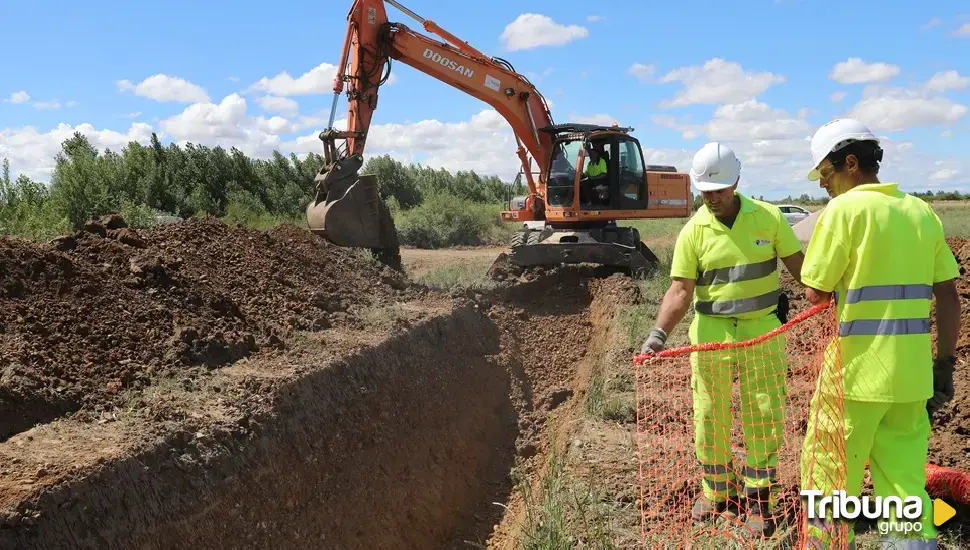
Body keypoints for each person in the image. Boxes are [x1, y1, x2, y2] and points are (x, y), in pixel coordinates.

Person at [797, 118, 962, 547]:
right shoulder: (920, 211)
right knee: (904, 487)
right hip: (910, 381)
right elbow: (948, 296)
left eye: (826, 174)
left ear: (850, 163)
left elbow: (815, 291)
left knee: (830, 481)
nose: (823, 186)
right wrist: (944, 363)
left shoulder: (844, 210)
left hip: (853, 379)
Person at [640, 141, 805, 536]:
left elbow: (802, 269)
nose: (712, 197)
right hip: (711, 331)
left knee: (763, 412)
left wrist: (829, 297)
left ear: (737, 182)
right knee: (709, 413)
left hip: (763, 329)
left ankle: (760, 499)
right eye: (706, 191)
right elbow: (680, 290)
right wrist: (657, 335)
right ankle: (717, 491)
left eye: (720, 189)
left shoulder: (769, 218)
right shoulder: (693, 231)